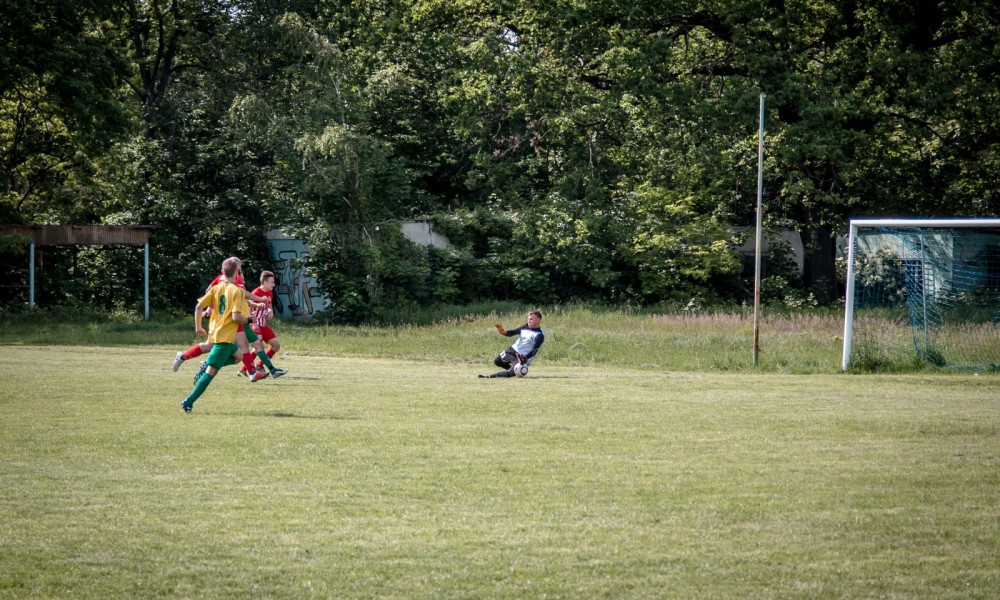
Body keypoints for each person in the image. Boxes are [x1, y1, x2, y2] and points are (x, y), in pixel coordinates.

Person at [181, 258, 285, 412]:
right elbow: (236, 317)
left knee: (240, 358)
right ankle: (188, 401)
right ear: (237, 273)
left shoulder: (216, 288)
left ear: (223, 272)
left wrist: (199, 327)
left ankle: (209, 364)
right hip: (225, 339)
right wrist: (250, 318)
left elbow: (198, 307)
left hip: (222, 336)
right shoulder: (236, 291)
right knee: (211, 372)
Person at [238, 270, 283, 381]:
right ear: (265, 282)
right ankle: (247, 369)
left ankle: (256, 366)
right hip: (256, 325)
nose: (274, 284)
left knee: (276, 345)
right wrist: (253, 323)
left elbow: (269, 306)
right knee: (258, 347)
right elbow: (248, 308)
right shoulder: (256, 292)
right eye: (272, 282)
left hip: (263, 324)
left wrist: (271, 312)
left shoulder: (270, 293)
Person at [479, 310, 545, 378]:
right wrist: (504, 333)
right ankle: (515, 370)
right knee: (497, 361)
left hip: (521, 357)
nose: (529, 321)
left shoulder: (539, 335)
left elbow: (534, 350)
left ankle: (488, 377)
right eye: (528, 319)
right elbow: (513, 332)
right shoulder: (525, 327)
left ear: (538, 320)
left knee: (510, 373)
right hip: (512, 350)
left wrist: (525, 358)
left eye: (531, 319)